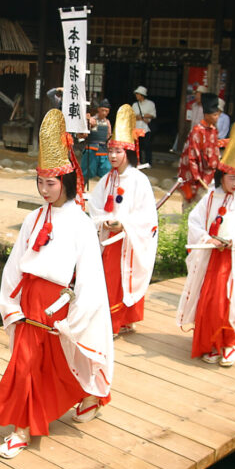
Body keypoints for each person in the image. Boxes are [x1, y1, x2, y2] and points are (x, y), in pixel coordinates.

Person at [0, 109, 112, 459]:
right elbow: (15, 263)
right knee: (27, 364)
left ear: (67, 181)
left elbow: (89, 275)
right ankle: (22, 428)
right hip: (29, 301)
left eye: (51, 183)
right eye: (40, 182)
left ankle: (72, 402)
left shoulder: (80, 223)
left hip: (57, 304)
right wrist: (9, 302)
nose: (44, 190)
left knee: (52, 362)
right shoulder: (33, 218)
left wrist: (76, 317)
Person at [176, 122, 235, 366]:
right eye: (231, 177)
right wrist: (207, 238)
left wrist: (234, 243)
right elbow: (195, 222)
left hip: (234, 261)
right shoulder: (210, 197)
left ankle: (230, 343)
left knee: (228, 301)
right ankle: (211, 343)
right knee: (208, 302)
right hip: (211, 258)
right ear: (221, 176)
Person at [87, 104, 157, 335]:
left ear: (128, 152)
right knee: (109, 281)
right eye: (111, 151)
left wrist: (124, 224)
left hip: (128, 241)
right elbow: (95, 205)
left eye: (118, 151)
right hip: (109, 240)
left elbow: (147, 215)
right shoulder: (107, 179)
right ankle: (113, 322)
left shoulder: (139, 180)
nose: (113, 156)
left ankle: (120, 322)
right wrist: (103, 220)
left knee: (122, 279)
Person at [177, 92, 221, 209]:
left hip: (210, 174)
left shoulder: (213, 130)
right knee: (192, 205)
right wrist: (197, 177)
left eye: (217, 115)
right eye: (214, 115)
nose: (217, 117)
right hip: (198, 175)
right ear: (206, 115)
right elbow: (191, 155)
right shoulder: (197, 131)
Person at [81, 100, 112, 180]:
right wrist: (87, 123)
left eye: (106, 111)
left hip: (103, 150)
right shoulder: (92, 119)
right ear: (98, 109)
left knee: (106, 171)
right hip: (91, 149)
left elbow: (109, 136)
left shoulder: (107, 122)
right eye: (102, 110)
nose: (104, 113)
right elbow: (82, 135)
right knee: (87, 172)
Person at [132, 86, 155, 167]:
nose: (136, 96)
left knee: (147, 145)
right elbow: (132, 115)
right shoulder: (135, 105)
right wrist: (142, 117)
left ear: (142, 95)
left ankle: (148, 162)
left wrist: (141, 116)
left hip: (146, 128)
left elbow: (152, 115)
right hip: (137, 127)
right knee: (138, 146)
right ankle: (139, 162)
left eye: (137, 94)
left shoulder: (150, 104)